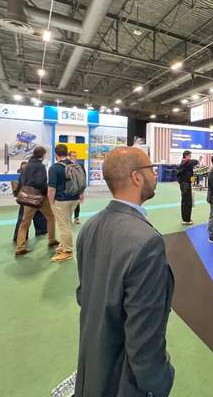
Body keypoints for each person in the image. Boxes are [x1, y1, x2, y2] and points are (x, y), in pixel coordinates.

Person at [75, 146, 174, 396]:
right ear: (137, 177)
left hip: (93, 366)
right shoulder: (147, 242)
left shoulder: (90, 226)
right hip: (123, 379)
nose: (155, 175)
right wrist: (158, 381)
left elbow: (84, 295)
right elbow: (144, 334)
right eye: (151, 169)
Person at [15, 146, 58, 257]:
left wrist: (18, 193)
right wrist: (45, 194)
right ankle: (52, 240)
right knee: (51, 217)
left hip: (27, 197)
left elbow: (20, 180)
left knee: (25, 222)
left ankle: (20, 247)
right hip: (39, 197)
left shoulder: (26, 165)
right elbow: (41, 182)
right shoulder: (41, 166)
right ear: (42, 155)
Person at [48, 144, 84, 262]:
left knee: (64, 226)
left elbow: (51, 189)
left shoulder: (54, 168)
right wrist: (81, 195)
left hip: (61, 200)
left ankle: (67, 251)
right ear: (67, 153)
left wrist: (50, 202)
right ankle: (63, 245)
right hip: (75, 199)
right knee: (66, 222)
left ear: (56, 154)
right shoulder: (75, 165)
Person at [12, 161, 47, 244]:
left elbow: (19, 186)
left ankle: (19, 238)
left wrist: (17, 193)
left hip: (26, 200)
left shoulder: (23, 175)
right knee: (39, 216)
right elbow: (44, 187)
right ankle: (42, 233)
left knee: (23, 219)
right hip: (37, 199)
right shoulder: (40, 175)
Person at [177, 150, 198, 225]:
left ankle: (186, 218)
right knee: (187, 202)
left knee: (186, 202)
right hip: (185, 185)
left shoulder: (186, 163)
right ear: (186, 156)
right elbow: (196, 161)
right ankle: (186, 220)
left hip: (186, 184)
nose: (190, 157)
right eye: (189, 156)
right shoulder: (185, 162)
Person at [69, 151, 86, 225]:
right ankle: (69, 218)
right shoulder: (67, 165)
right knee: (69, 203)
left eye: (76, 156)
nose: (75, 157)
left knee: (77, 203)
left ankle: (76, 218)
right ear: (69, 156)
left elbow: (83, 175)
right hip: (69, 188)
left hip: (78, 187)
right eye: (73, 156)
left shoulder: (80, 165)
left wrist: (82, 189)